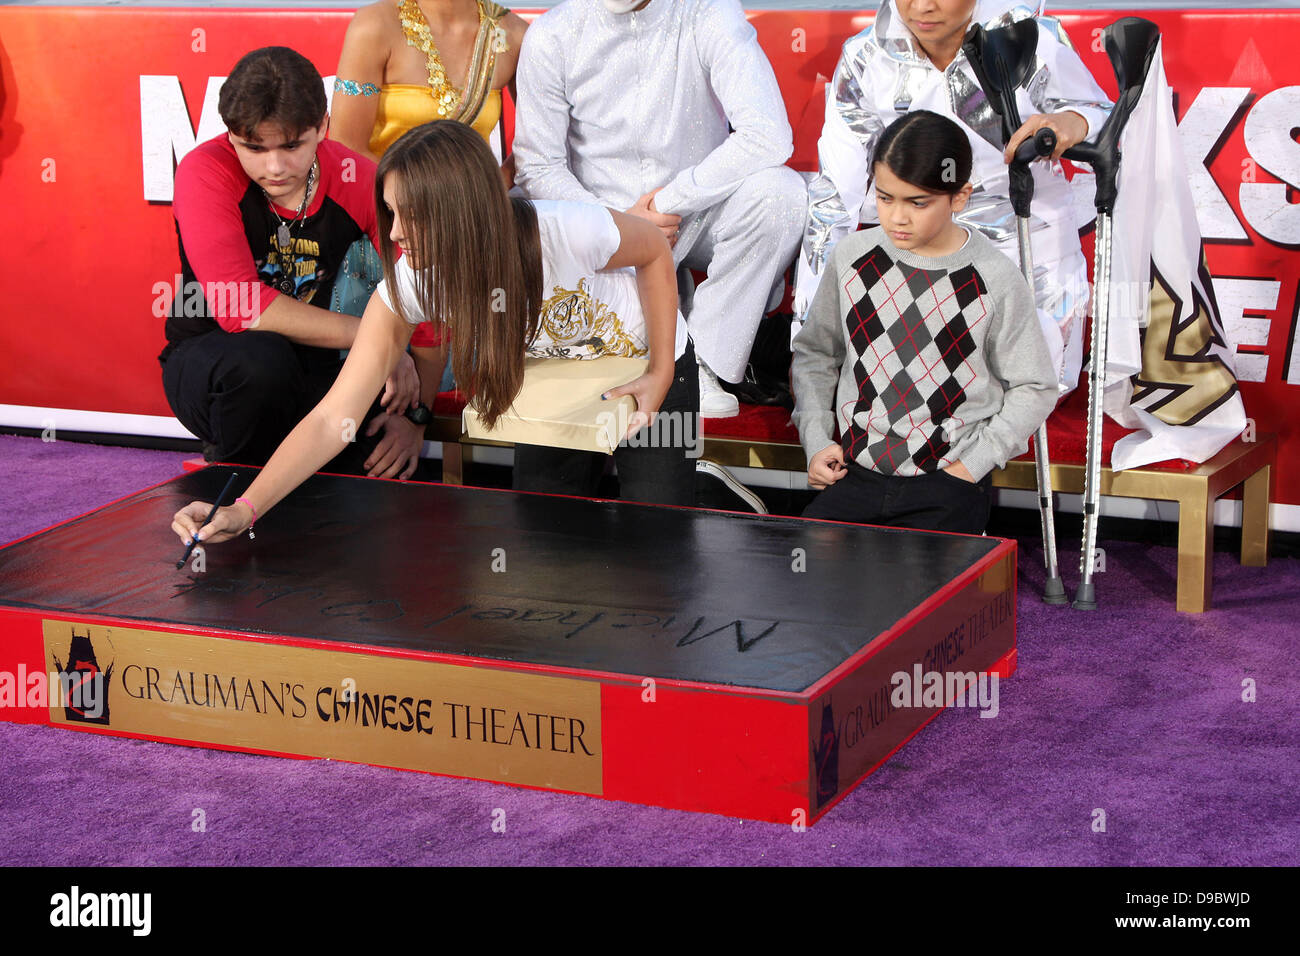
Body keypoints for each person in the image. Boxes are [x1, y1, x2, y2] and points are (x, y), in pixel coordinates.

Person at [171, 120, 696, 547]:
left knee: (657, 537)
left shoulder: (562, 229)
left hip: (645, 366)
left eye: (413, 215)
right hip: (555, 383)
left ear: (462, 212)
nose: (395, 233)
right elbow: (336, 416)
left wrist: (661, 371)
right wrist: (246, 509)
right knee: (544, 544)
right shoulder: (413, 282)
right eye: (392, 212)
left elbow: (652, 248)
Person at [795, 0, 1112, 394]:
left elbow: (1109, 126)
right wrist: (811, 335)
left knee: (1022, 393)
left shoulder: (1031, 38)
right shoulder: (866, 57)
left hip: (1027, 253)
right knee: (907, 400)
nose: (922, 6)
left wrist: (1075, 121)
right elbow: (832, 200)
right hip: (916, 262)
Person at [511, 0, 807, 418]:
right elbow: (537, 165)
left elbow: (769, 135)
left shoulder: (707, 11)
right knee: (523, 212)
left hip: (694, 213)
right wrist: (615, 221)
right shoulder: (553, 33)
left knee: (782, 196)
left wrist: (671, 200)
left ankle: (700, 360)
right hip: (600, 227)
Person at [158, 46, 430, 479]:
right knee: (259, 363)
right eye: (254, 147)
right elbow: (240, 308)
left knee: (377, 468)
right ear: (230, 134)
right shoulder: (203, 171)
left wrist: (415, 418)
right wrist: (379, 338)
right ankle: (235, 493)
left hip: (314, 367)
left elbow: (420, 288)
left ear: (322, 127)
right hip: (210, 364)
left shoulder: (354, 176)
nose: (275, 167)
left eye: (291, 145)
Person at [791, 111, 1057, 535]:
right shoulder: (852, 257)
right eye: (884, 198)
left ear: (960, 197)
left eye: (918, 202)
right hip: (852, 475)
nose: (897, 217)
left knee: (926, 598)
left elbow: (1035, 386)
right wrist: (817, 438)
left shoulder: (995, 277)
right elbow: (816, 352)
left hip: (947, 483)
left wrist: (972, 467)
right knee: (806, 584)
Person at [330, 0, 527, 167]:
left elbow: (538, 151)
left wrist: (491, 192)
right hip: (385, 204)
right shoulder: (375, 26)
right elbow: (346, 150)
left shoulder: (514, 35)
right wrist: (412, 200)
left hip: (473, 206)